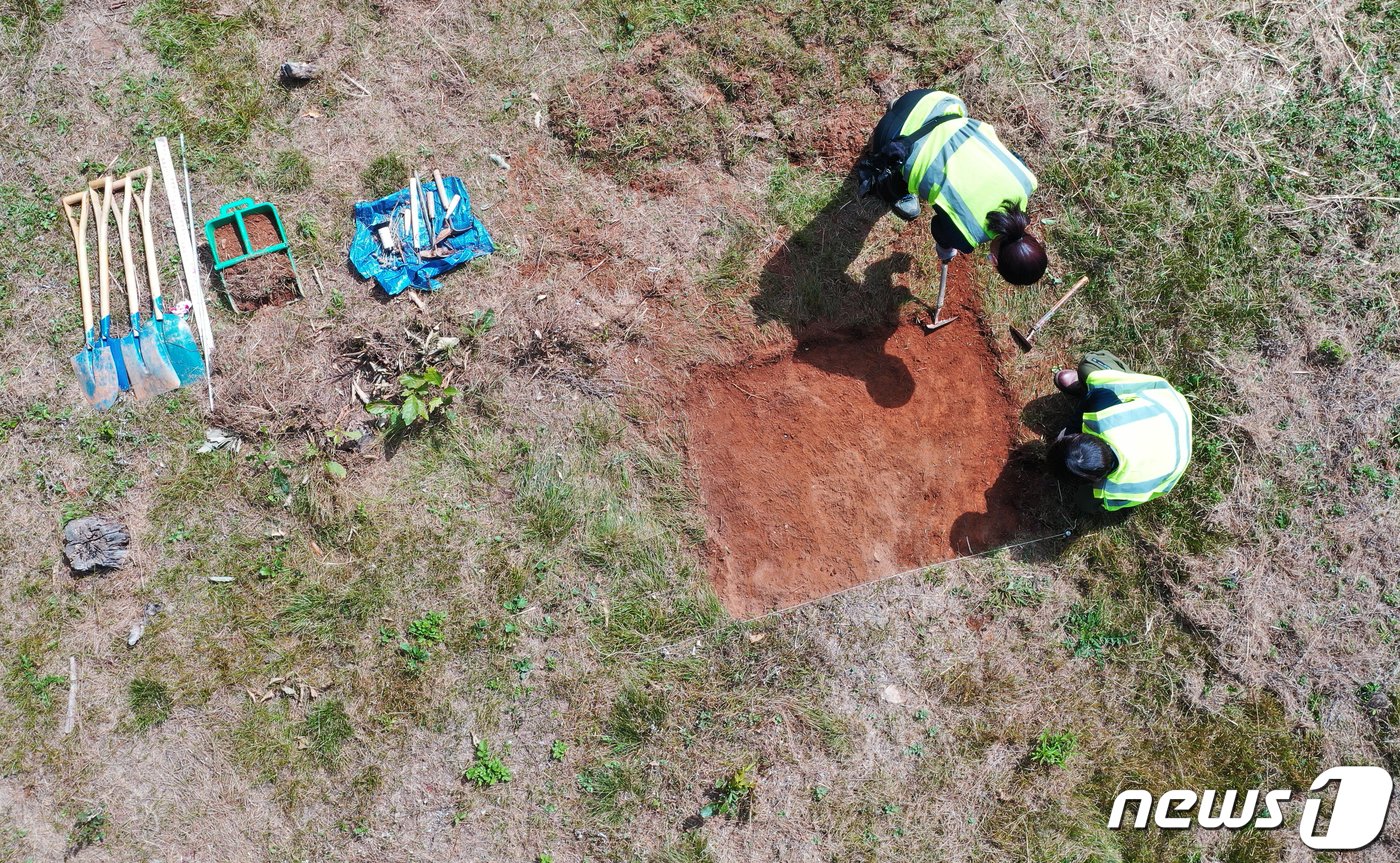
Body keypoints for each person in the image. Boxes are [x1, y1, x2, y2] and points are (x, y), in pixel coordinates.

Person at [855, 89, 1047, 287]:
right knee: (889, 187)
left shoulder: (1026, 183)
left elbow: (1012, 157)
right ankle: (899, 192)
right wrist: (946, 248)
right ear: (995, 261)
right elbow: (938, 227)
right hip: (896, 137)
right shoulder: (967, 234)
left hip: (937, 103)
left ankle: (899, 106)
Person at [1046, 351, 1193, 512]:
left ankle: (1086, 387)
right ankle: (1084, 386)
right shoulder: (1105, 414)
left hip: (1173, 445)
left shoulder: (1113, 489)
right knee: (1088, 366)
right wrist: (1069, 431)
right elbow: (1098, 394)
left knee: (1085, 503)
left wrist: (1068, 433)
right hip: (1169, 408)